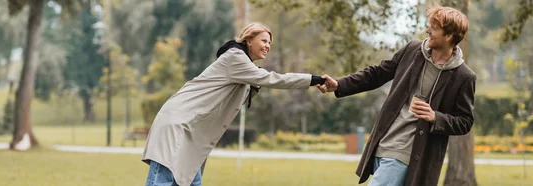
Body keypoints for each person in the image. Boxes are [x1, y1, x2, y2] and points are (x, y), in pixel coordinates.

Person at [142, 22, 327, 186]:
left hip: (191, 132)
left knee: (191, 181)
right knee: (162, 181)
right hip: (177, 124)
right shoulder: (235, 58)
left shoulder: (244, 67)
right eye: (264, 41)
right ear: (248, 40)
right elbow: (272, 79)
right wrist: (314, 80)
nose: (268, 46)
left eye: (270, 43)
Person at [317, 5, 475, 186]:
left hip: (409, 153)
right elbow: (377, 74)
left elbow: (465, 121)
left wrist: (435, 117)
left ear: (449, 36)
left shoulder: (464, 76)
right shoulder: (412, 50)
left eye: (434, 28)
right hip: (382, 144)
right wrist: (339, 84)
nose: (427, 30)